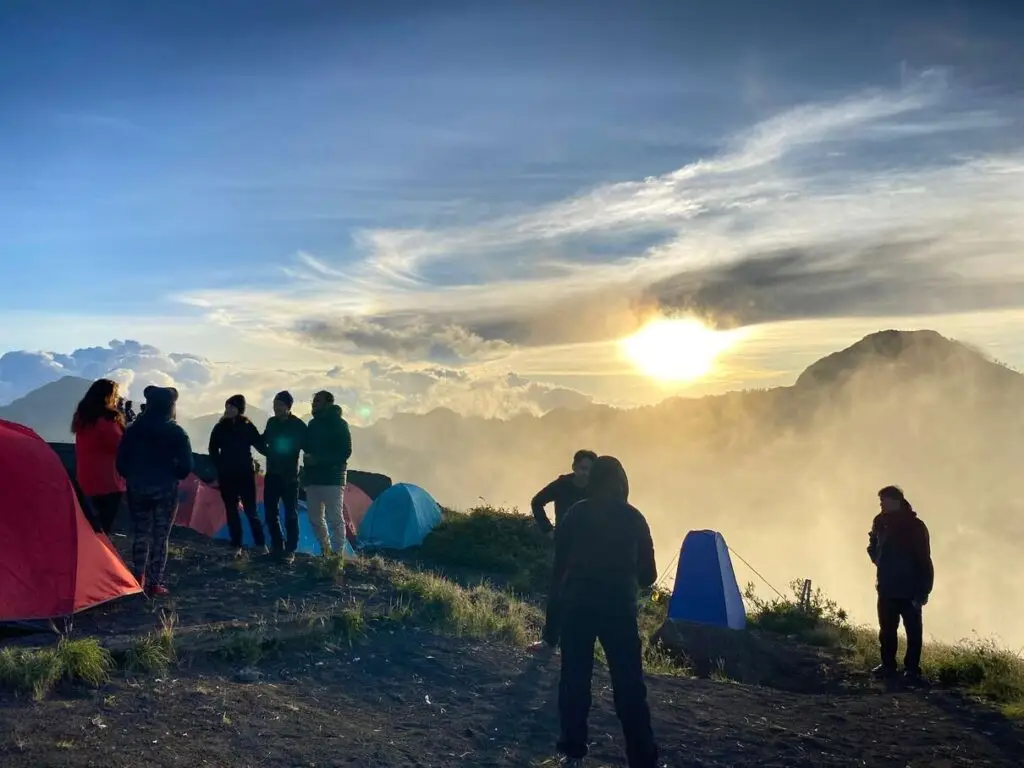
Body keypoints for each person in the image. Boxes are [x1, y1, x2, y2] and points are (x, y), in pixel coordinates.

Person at [549, 455, 658, 768]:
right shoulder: (634, 518)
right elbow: (648, 576)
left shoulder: (575, 514)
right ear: (623, 483)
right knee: (629, 686)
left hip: (576, 607)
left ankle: (573, 749)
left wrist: (551, 626)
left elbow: (559, 569)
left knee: (574, 678)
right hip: (619, 610)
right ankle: (642, 757)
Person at [115, 386, 193, 597]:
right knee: (160, 537)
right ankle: (154, 583)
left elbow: (121, 462)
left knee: (140, 534)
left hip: (137, 489)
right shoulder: (176, 432)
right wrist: (172, 473)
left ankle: (137, 578)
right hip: (165, 490)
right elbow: (186, 467)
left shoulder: (133, 430)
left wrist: (133, 478)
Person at [529, 449, 596, 650]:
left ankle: (578, 642)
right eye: (583, 468)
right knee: (558, 591)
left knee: (586, 594)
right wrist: (548, 529)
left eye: (590, 470)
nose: (586, 473)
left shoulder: (596, 490)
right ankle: (549, 640)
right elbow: (537, 502)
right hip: (565, 545)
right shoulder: (562, 485)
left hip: (590, 548)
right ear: (574, 467)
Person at [867, 485, 934, 682]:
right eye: (880, 501)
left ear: (895, 500)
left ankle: (912, 668)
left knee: (913, 631)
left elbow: (924, 559)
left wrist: (923, 591)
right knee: (886, 629)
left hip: (910, 588)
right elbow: (873, 544)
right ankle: (888, 665)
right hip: (886, 586)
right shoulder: (880, 522)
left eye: (884, 501)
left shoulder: (915, 526)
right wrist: (877, 558)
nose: (881, 504)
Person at [209, 394, 268, 557]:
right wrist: (219, 465)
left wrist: (276, 447)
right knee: (231, 510)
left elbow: (260, 445)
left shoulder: (247, 426)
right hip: (226, 474)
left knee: (251, 510)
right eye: (227, 406)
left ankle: (260, 544)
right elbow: (212, 448)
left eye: (232, 407)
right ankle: (236, 545)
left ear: (239, 410)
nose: (228, 409)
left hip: (245, 474)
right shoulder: (219, 427)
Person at [71, 378, 127, 534]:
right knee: (103, 528)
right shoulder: (107, 421)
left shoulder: (83, 419)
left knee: (87, 526)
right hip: (107, 481)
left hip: (84, 478)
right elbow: (119, 447)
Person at [303, 390, 352, 556]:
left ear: (329, 403)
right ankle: (326, 550)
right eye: (314, 400)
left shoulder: (340, 424)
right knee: (315, 518)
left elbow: (345, 452)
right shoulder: (312, 424)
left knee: (335, 518)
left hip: (333, 478)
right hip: (313, 478)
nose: (314, 403)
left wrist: (319, 460)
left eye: (318, 400)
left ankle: (338, 555)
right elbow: (308, 447)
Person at [262, 391, 307, 563]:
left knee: (291, 514)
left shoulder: (298, 425)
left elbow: (306, 446)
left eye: (280, 405)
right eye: (275, 404)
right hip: (272, 474)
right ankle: (277, 546)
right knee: (270, 513)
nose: (276, 408)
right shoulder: (271, 422)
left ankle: (290, 550)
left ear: (288, 407)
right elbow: (264, 439)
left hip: (289, 478)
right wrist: (267, 452)